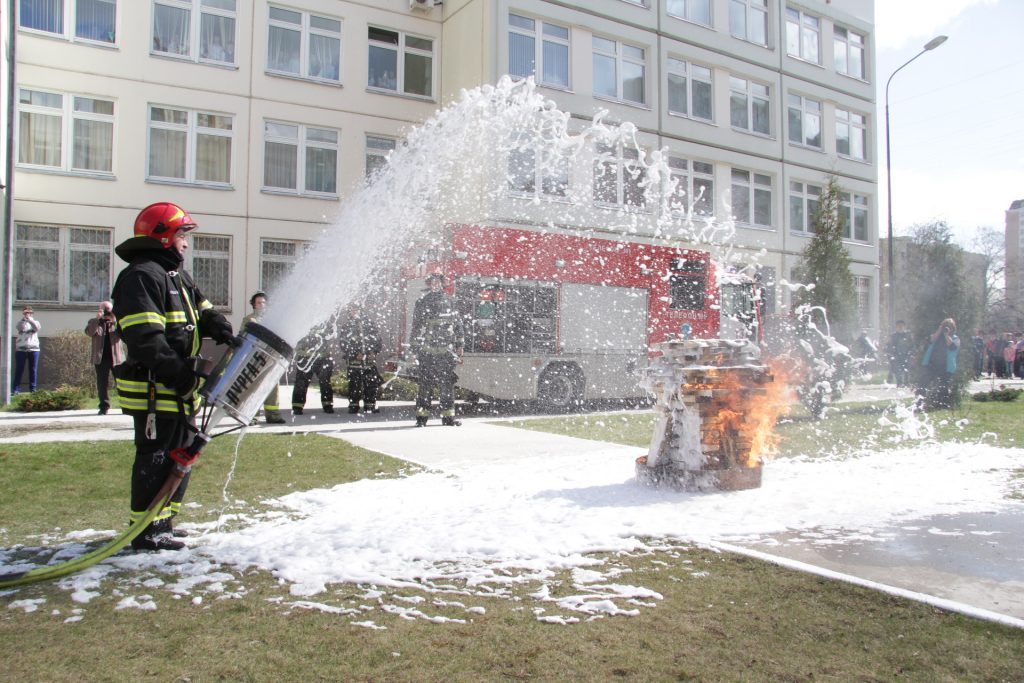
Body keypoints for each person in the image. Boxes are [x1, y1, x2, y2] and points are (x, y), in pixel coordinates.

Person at [112, 202, 237, 551]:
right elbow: (146, 341)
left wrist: (222, 329)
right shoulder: (142, 276)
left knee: (180, 453)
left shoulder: (174, 275)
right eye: (182, 234)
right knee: (156, 455)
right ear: (163, 235)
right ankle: (146, 530)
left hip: (177, 387)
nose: (186, 242)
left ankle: (163, 520)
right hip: (156, 388)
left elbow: (203, 309)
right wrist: (181, 378)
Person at [411, 273, 464, 426]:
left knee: (446, 386)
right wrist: (414, 350)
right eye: (432, 282)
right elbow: (416, 327)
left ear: (442, 283)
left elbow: (458, 325)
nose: (435, 284)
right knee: (425, 387)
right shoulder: (422, 302)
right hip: (427, 352)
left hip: (446, 353)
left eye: (437, 282)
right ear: (429, 284)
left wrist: (460, 345)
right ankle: (421, 419)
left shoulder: (451, 301)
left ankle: (448, 418)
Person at [240, 291, 286, 424]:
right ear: (254, 305)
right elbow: (243, 336)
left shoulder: (273, 319)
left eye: (264, 302)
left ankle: (273, 415)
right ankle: (251, 416)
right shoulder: (249, 320)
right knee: (254, 387)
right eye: (259, 302)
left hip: (271, 358)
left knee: (272, 387)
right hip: (256, 358)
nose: (262, 305)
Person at [338, 303, 382, 414]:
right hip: (354, 362)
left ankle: (370, 406)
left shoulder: (369, 324)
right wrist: (354, 354)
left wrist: (374, 351)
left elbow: (377, 339)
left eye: (356, 310)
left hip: (368, 362)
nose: (354, 312)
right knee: (354, 384)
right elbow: (344, 343)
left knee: (371, 384)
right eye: (352, 310)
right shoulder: (347, 326)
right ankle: (353, 406)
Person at [291, 317, 337, 416]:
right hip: (305, 357)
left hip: (322, 357)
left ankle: (327, 405)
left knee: (325, 382)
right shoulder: (302, 320)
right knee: (301, 382)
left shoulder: (325, 321)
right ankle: (297, 406)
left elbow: (331, 335)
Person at [85, 301, 124, 415]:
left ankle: (124, 405)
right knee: (102, 384)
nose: (107, 312)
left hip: (116, 358)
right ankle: (104, 406)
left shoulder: (117, 323)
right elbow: (90, 332)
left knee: (121, 383)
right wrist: (97, 320)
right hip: (101, 358)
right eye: (104, 309)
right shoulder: (94, 322)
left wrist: (115, 320)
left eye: (108, 309)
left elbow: (123, 335)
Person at [919, 317, 960, 410]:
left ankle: (943, 405)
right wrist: (939, 330)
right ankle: (919, 403)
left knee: (943, 386)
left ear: (953, 328)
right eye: (945, 326)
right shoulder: (936, 336)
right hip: (931, 364)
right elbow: (930, 340)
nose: (946, 328)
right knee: (923, 384)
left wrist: (946, 334)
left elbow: (952, 346)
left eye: (949, 326)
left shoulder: (955, 338)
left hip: (946, 367)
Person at [12, 306, 41, 393]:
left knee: (33, 369)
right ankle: (16, 389)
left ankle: (33, 389)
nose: (27, 314)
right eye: (25, 313)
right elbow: (21, 328)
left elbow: (36, 328)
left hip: (34, 349)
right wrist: (24, 319)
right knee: (19, 369)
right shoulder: (20, 323)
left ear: (32, 313)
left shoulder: (36, 322)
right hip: (21, 349)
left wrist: (30, 320)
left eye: (29, 312)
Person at [885, 320, 914, 387]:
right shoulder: (893, 336)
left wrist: (911, 353)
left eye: (902, 326)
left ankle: (907, 382)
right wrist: (891, 354)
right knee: (898, 370)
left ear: (904, 326)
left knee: (907, 369)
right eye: (898, 326)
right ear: (896, 327)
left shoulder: (908, 335)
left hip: (907, 355)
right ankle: (899, 383)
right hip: (897, 356)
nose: (900, 327)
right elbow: (889, 346)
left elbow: (912, 345)